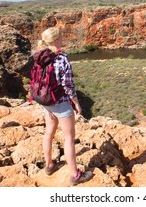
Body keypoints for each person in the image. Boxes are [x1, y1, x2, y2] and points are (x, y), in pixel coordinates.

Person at [34, 26, 92, 186]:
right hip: (60, 104)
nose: (63, 40)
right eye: (61, 38)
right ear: (57, 40)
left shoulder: (39, 56)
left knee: (48, 133)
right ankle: (75, 175)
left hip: (46, 102)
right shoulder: (61, 58)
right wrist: (76, 104)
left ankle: (49, 165)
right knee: (69, 138)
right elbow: (68, 85)